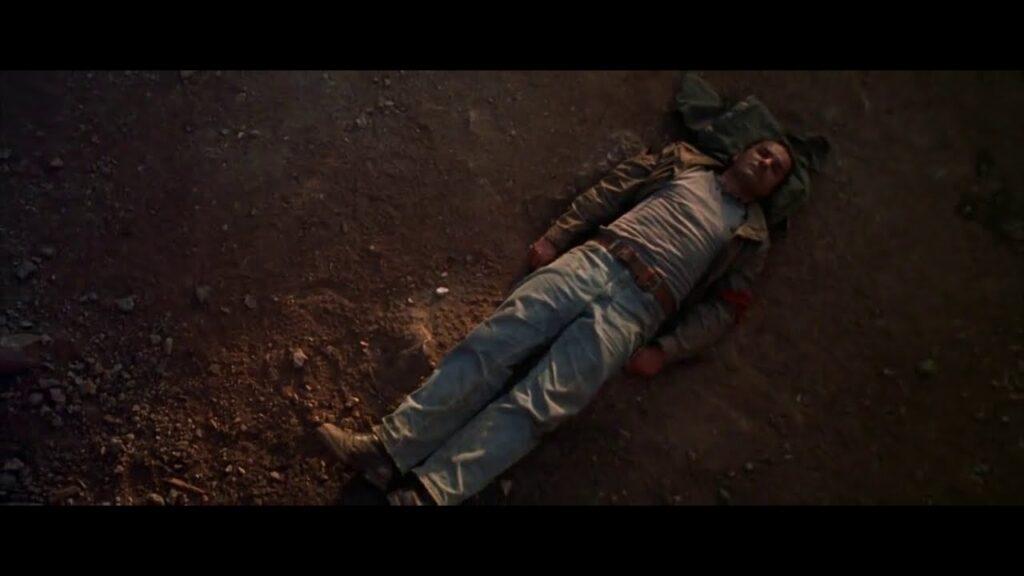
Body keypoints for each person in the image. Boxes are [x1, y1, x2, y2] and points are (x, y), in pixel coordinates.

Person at [318, 139, 794, 505]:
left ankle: (428, 494)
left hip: (640, 309)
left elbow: (725, 309)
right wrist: (559, 234)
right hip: (595, 259)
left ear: (774, 191)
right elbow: (613, 188)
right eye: (764, 153)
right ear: (740, 151)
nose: (767, 163)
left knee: (540, 404)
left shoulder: (752, 238)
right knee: (491, 345)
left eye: (777, 169)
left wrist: (667, 351)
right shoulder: (683, 161)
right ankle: (386, 451)